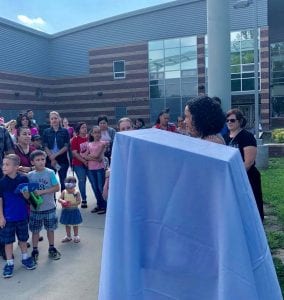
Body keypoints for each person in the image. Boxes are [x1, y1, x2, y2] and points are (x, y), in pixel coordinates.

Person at [223, 108, 264, 221]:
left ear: (240, 121)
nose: (229, 123)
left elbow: (249, 162)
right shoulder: (225, 137)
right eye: (227, 120)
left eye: (232, 120)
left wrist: (236, 176)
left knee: (251, 205)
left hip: (247, 177)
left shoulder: (247, 136)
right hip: (230, 177)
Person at [0, 154, 36, 278]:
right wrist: (1, 217)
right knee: (8, 242)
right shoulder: (2, 182)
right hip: (7, 218)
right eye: (3, 164)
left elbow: (27, 198)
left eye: (7, 164)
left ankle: (25, 258)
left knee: (23, 239)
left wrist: (25, 192)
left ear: (16, 167)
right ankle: (9, 263)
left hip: (22, 215)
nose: (3, 167)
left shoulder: (23, 179)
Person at [28, 150, 61, 262]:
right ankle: (35, 249)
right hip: (35, 209)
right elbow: (28, 191)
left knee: (50, 229)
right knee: (35, 231)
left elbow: (57, 187)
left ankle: (51, 247)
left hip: (49, 207)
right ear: (32, 162)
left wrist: (42, 192)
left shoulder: (50, 172)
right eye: (38, 160)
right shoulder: (30, 176)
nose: (41, 162)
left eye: (43, 159)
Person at [81, 126, 107, 215]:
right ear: (92, 134)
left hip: (100, 168)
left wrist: (90, 157)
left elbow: (98, 157)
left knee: (101, 187)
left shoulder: (103, 143)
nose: (97, 134)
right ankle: (99, 205)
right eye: (95, 132)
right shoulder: (89, 144)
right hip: (91, 169)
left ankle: (104, 205)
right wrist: (92, 158)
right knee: (95, 188)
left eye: (99, 132)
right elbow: (84, 156)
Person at [43, 111, 70, 191]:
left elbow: (66, 146)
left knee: (63, 182)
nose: (54, 120)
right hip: (50, 161)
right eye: (52, 119)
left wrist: (55, 155)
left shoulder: (65, 131)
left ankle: (64, 201)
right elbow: (45, 145)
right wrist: (52, 158)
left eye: (55, 118)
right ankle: (52, 202)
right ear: (50, 120)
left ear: (59, 119)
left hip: (62, 160)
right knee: (51, 183)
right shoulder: (46, 131)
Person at [0, 126, 14, 259]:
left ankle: (3, 245)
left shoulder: (2, 131)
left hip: (1, 176)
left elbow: (10, 153)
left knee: (2, 210)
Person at [58, 176, 82, 243]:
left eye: (71, 187)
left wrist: (71, 204)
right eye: (67, 187)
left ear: (74, 186)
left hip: (74, 210)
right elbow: (59, 199)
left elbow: (79, 201)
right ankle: (68, 236)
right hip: (66, 211)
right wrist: (62, 201)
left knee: (75, 224)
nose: (69, 189)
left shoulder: (76, 193)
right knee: (67, 224)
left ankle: (76, 236)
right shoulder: (64, 192)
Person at [71, 122, 89, 208]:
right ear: (79, 129)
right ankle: (84, 199)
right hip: (78, 164)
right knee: (82, 181)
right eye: (82, 127)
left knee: (93, 182)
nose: (85, 129)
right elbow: (75, 153)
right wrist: (84, 161)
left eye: (85, 127)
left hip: (91, 163)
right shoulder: (75, 139)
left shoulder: (90, 137)